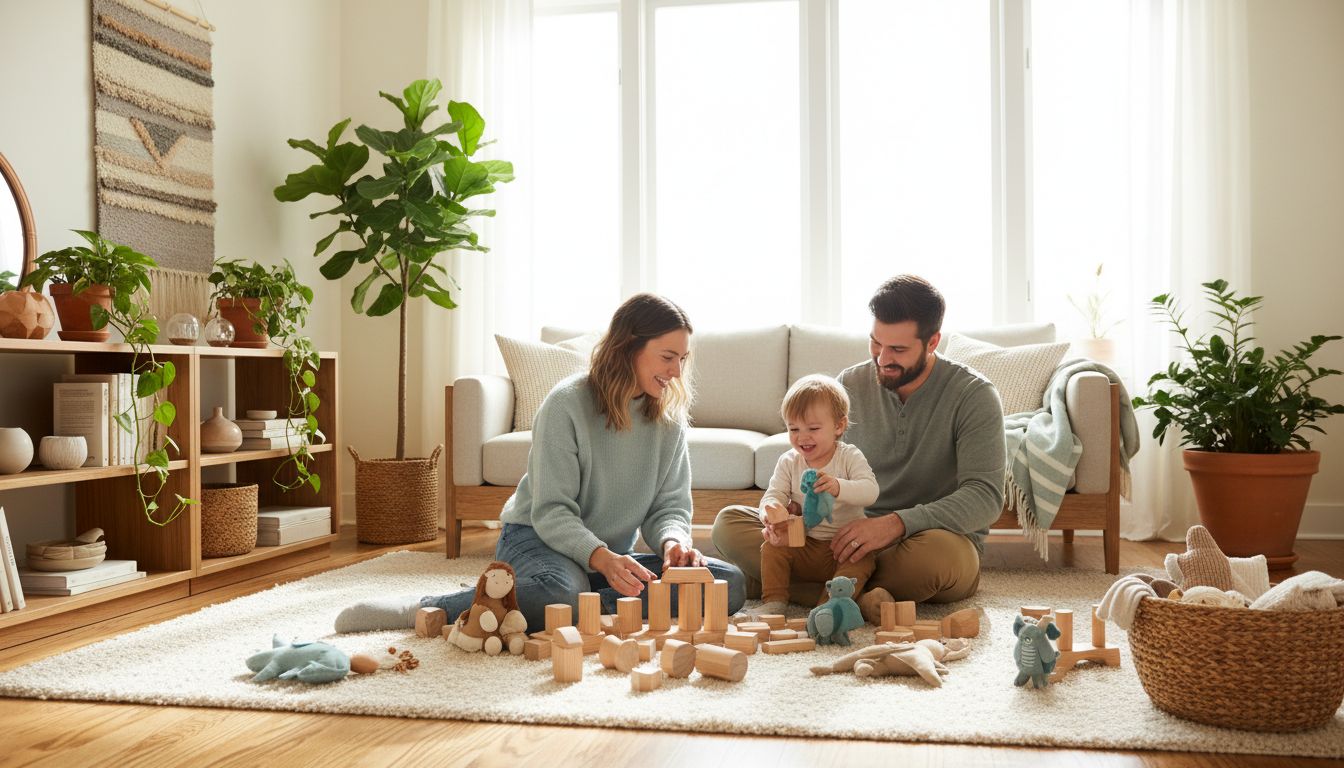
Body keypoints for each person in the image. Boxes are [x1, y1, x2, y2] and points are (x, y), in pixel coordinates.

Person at [336, 293, 746, 634]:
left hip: (601, 558)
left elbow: (669, 508)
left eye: (683, 360)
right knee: (559, 596)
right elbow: (551, 511)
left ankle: (561, 602)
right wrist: (602, 559)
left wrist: (675, 545)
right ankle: (430, 606)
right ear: (630, 349)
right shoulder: (567, 404)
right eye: (667, 357)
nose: (676, 372)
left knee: (726, 584)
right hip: (537, 538)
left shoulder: (668, 418)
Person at [712, 275, 1004, 617]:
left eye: (898, 350)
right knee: (728, 524)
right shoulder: (848, 386)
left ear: (932, 342)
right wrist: (789, 512)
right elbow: (822, 470)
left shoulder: (974, 396)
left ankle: (798, 587)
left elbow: (984, 497)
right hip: (838, 544)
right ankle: (857, 598)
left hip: (921, 542)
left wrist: (896, 523)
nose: (882, 359)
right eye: (875, 343)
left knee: (940, 560)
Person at [754, 374, 879, 617]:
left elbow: (870, 491)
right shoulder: (789, 461)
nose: (802, 437)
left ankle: (827, 609)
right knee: (772, 548)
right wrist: (769, 513)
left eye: (813, 429)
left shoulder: (848, 456)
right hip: (806, 543)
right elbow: (774, 494)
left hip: (844, 548)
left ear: (839, 427)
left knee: (860, 561)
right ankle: (775, 601)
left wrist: (838, 487)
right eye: (793, 429)